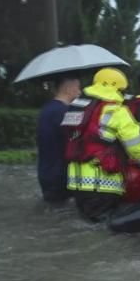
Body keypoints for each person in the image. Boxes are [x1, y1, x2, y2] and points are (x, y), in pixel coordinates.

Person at [61, 67, 140, 222]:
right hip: (103, 186)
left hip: (75, 184)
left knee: (87, 228)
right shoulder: (115, 110)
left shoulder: (76, 107)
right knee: (109, 229)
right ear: (117, 88)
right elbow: (138, 148)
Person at [36, 73, 81, 203]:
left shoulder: (47, 109)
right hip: (60, 174)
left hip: (46, 170)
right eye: (77, 87)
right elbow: (74, 140)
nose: (80, 91)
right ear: (67, 89)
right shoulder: (63, 112)